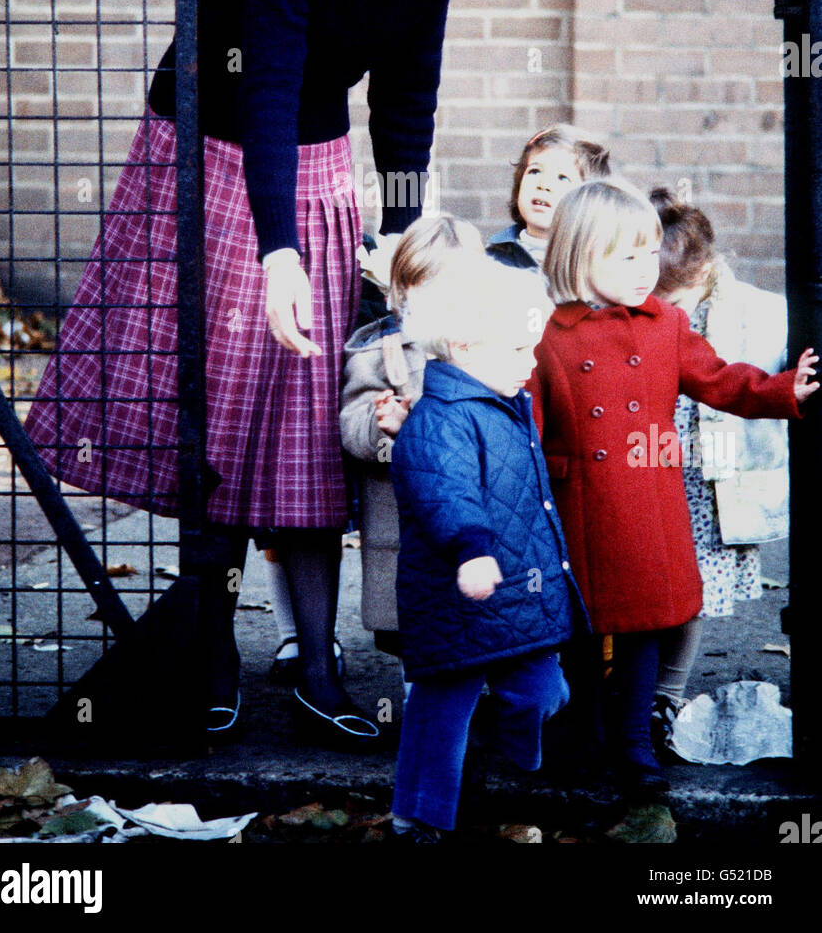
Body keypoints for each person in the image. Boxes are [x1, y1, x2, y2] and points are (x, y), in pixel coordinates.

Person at [23, 0, 485, 743]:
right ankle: (208, 653)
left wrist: (400, 231)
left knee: (310, 420)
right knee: (223, 411)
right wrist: (279, 251)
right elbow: (266, 86)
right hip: (213, 146)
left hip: (309, 153)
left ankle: (318, 668)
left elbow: (408, 88)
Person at [527, 180, 818, 793]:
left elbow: (719, 379)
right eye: (626, 256)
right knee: (579, 633)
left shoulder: (666, 325)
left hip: (646, 502)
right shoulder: (551, 335)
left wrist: (781, 389)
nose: (646, 269)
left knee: (641, 629)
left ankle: (633, 745)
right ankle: (582, 741)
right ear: (579, 256)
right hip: (577, 505)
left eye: (650, 252)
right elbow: (527, 422)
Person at [388, 260, 585, 841]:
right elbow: (445, 492)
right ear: (465, 345)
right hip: (455, 595)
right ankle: (419, 815)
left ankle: (494, 754)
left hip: (516, 597)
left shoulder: (504, 404)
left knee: (543, 691)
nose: (532, 362)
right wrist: (471, 550)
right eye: (521, 348)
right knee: (439, 712)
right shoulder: (440, 420)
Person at [647, 187, 792, 746]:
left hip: (708, 487)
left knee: (691, 593)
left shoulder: (754, 314)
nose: (666, 312)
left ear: (704, 269)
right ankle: (625, 684)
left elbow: (762, 377)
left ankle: (667, 693)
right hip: (652, 471)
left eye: (675, 299)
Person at [339, 213, 485, 659]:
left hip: (473, 510)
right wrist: (382, 424)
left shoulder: (487, 349)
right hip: (403, 517)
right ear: (398, 293)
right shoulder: (381, 351)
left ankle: (475, 697)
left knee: (477, 614)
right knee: (414, 628)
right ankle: (421, 709)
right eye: (422, 287)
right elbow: (352, 424)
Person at [486, 123, 610, 333]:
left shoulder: (598, 265)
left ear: (588, 200)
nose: (543, 185)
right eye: (534, 171)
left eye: (562, 178)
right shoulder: (492, 259)